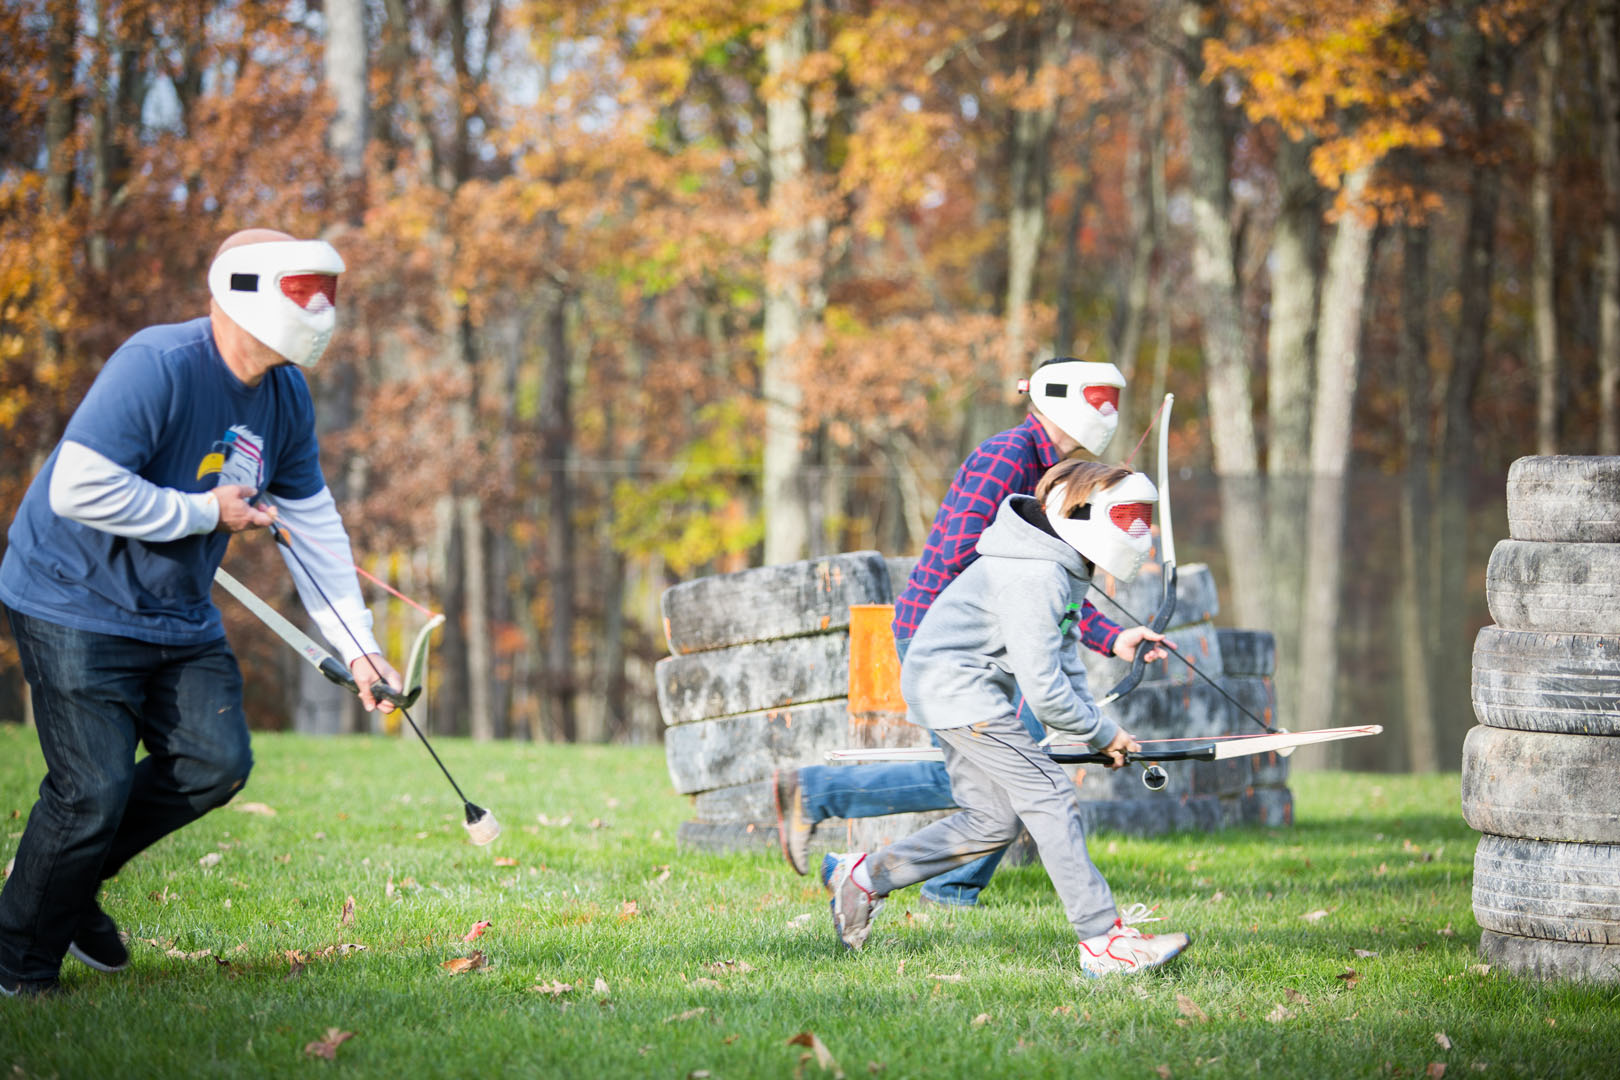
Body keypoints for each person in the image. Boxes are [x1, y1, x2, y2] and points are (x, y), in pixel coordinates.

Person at [0, 229, 401, 997]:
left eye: (328, 292)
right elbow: (75, 488)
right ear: (241, 288)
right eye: (302, 291)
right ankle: (17, 962)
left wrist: (359, 650)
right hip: (72, 596)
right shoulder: (159, 365)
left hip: (174, 611)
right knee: (93, 789)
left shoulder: (286, 396)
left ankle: (62, 884)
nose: (319, 308)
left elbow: (311, 528)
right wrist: (200, 513)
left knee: (216, 762)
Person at [773, 358, 1168, 905]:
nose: (1107, 410)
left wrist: (1111, 637)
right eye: (1098, 395)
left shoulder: (1054, 472)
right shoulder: (1008, 456)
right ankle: (932, 882)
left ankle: (845, 835)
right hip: (948, 641)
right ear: (1057, 395)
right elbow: (976, 560)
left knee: (1003, 774)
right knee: (1015, 772)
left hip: (982, 643)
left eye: (1113, 399)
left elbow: (1048, 590)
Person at [822, 459, 1190, 975]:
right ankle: (1103, 942)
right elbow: (1042, 688)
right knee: (1050, 796)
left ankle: (862, 878)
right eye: (1127, 515)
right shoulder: (1035, 573)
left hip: (955, 688)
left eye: (1143, 517)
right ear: (1080, 512)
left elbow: (1062, 657)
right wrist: (1101, 730)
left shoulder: (1060, 562)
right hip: (959, 692)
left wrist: (1093, 733)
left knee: (992, 821)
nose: (1139, 530)